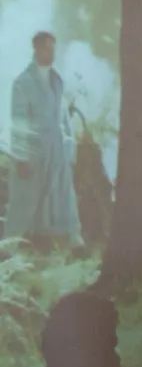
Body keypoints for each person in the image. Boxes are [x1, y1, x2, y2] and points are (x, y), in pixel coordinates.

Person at [6, 29, 79, 248]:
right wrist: (22, 157)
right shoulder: (23, 82)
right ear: (36, 48)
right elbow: (19, 121)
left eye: (53, 47)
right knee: (24, 199)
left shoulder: (57, 80)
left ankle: (74, 240)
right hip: (34, 150)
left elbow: (62, 115)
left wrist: (68, 143)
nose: (51, 52)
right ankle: (8, 246)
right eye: (46, 47)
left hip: (57, 148)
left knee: (63, 195)